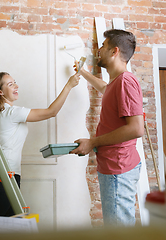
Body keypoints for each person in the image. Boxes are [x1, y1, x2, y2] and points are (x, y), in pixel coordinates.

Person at [70, 29, 144, 226]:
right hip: (114, 167)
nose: (99, 50)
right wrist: (82, 72)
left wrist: (93, 142)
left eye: (103, 46)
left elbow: (137, 128)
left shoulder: (126, 82)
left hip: (118, 169)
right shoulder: (116, 83)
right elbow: (105, 88)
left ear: (114, 51)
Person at [0, 72, 80, 216]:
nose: (16, 86)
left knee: (6, 226)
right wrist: (68, 86)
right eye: (10, 84)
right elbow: (51, 112)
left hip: (7, 174)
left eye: (15, 82)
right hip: (3, 175)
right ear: (0, 92)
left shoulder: (4, 112)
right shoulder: (11, 113)